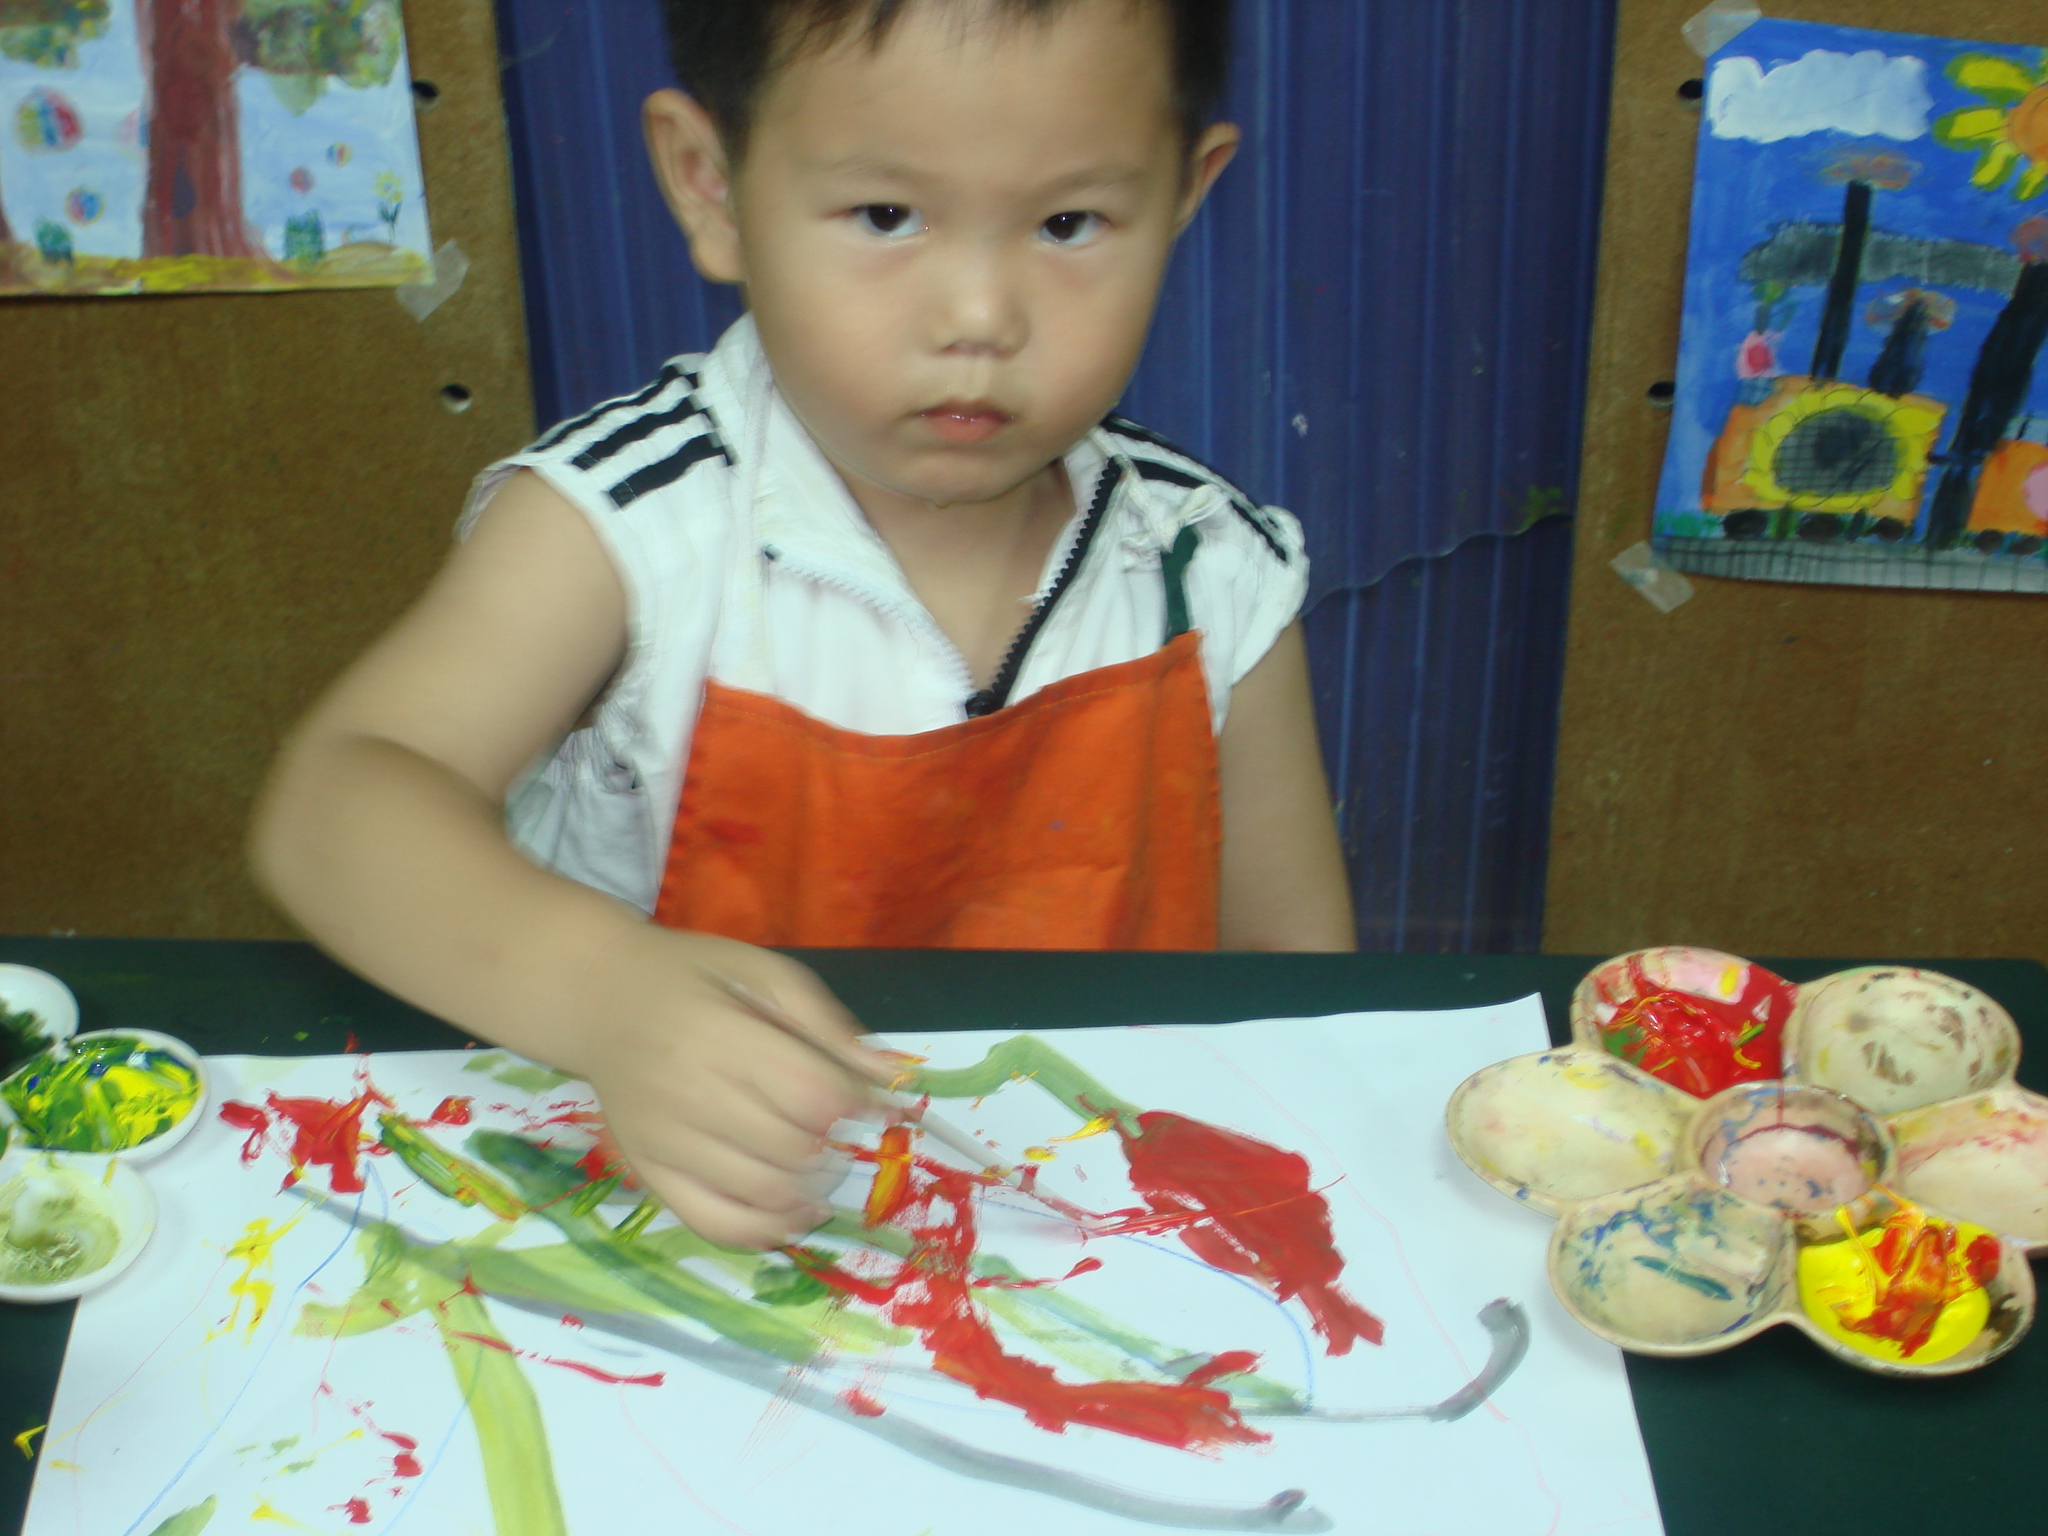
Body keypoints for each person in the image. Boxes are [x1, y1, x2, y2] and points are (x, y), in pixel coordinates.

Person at [251, 0, 1353, 1252]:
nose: (979, 315)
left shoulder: (1211, 569)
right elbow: (337, 800)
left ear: (1184, 195)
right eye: (885, 216)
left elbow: (1295, 965)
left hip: (1070, 1232)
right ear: (710, 184)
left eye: (1068, 224)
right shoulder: (629, 529)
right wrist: (604, 996)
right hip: (670, 1227)